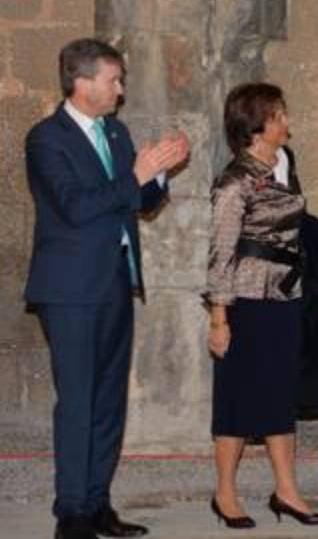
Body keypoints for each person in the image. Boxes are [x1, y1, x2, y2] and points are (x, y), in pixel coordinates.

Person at [24, 38, 189, 539]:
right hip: (70, 289)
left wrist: (157, 174)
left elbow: (135, 202)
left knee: (108, 402)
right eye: (114, 80)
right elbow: (75, 206)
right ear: (83, 81)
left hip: (117, 281)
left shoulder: (114, 133)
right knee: (77, 400)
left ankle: (97, 504)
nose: (121, 90)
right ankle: (71, 512)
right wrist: (136, 174)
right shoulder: (46, 138)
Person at [204, 83, 318, 529]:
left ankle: (287, 491)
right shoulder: (233, 181)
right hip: (246, 300)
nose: (287, 123)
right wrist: (219, 318)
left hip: (286, 297)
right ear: (258, 126)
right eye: (279, 116)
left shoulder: (284, 164)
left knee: (281, 394)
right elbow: (221, 254)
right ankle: (224, 494)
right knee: (237, 396)